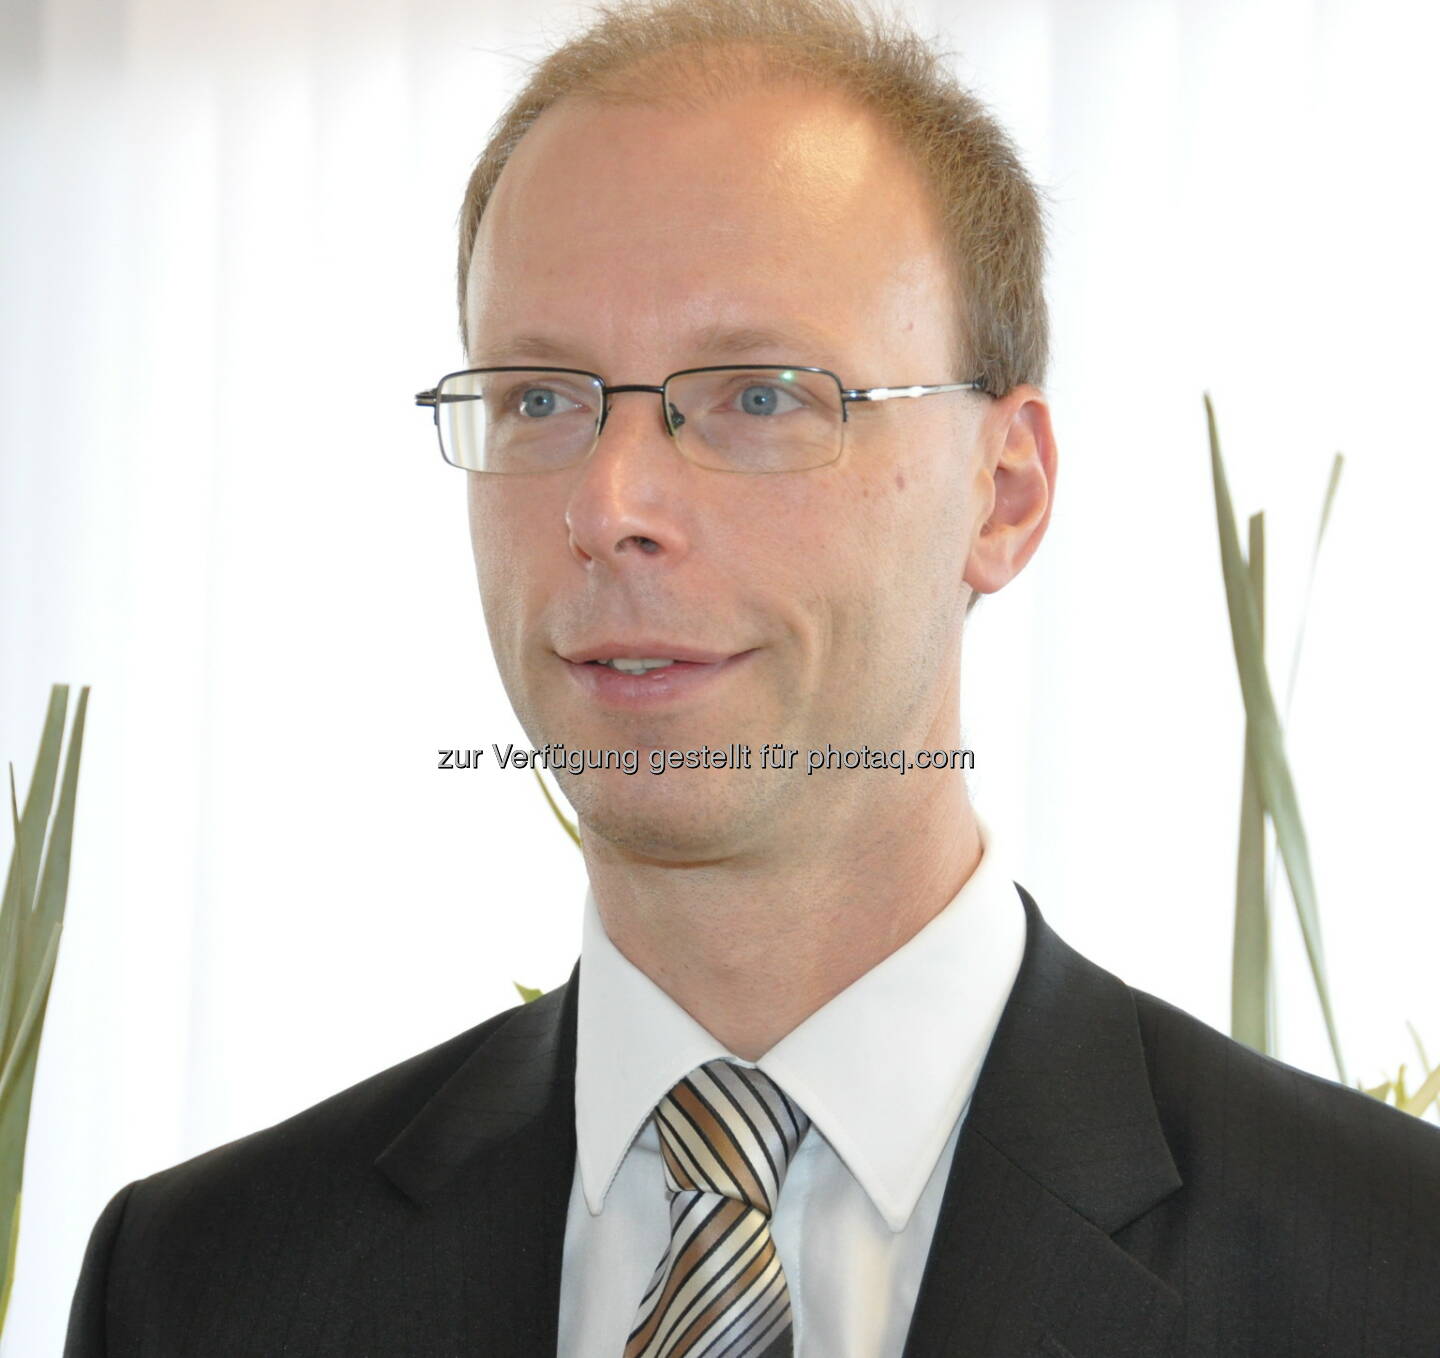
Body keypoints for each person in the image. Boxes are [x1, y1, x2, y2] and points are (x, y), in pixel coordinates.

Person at [65, 0, 1440, 1353]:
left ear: (1004, 492)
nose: (610, 504)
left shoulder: (1392, 1267)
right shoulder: (195, 1287)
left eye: (760, 395)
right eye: (539, 399)